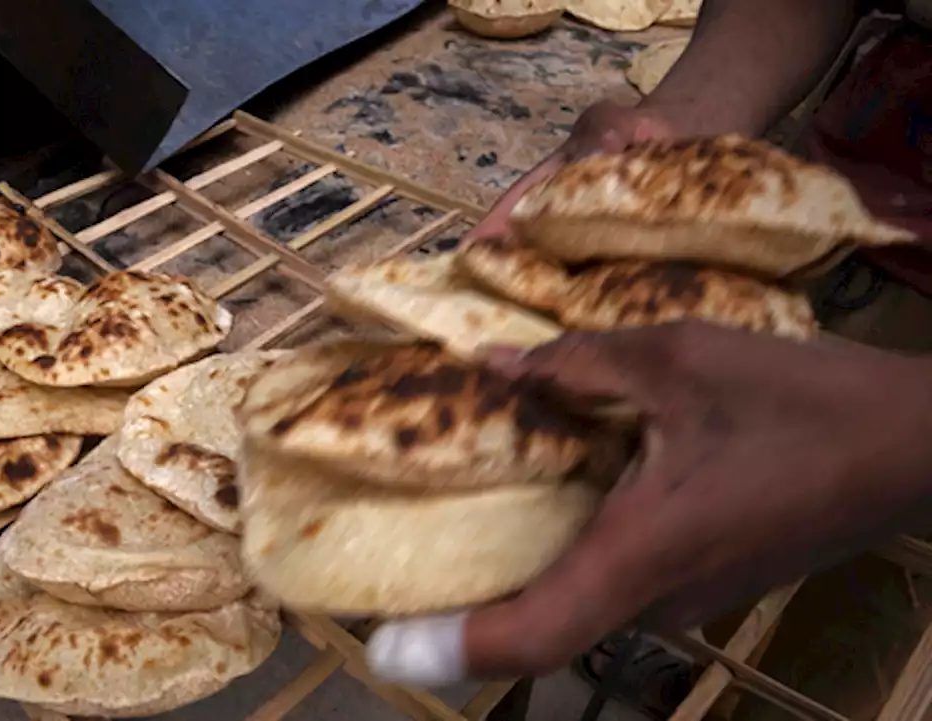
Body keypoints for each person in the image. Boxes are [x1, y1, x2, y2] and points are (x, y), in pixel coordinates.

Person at [363, 0, 932, 710]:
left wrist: (911, 436)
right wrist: (683, 123)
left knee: (830, 660)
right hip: (799, 222)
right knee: (668, 544)